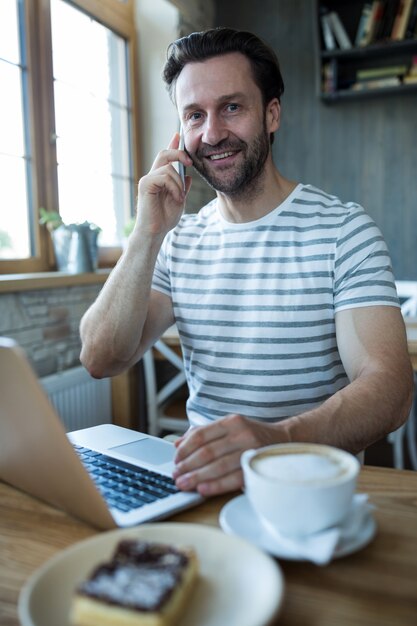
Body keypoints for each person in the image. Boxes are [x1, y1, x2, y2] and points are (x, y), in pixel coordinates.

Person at [80, 27, 413, 497]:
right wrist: (146, 234)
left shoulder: (344, 231)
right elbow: (100, 359)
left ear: (271, 114)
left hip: (310, 494)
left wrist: (276, 440)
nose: (212, 133)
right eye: (195, 115)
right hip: (200, 491)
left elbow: (391, 389)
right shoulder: (177, 239)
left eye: (231, 107)